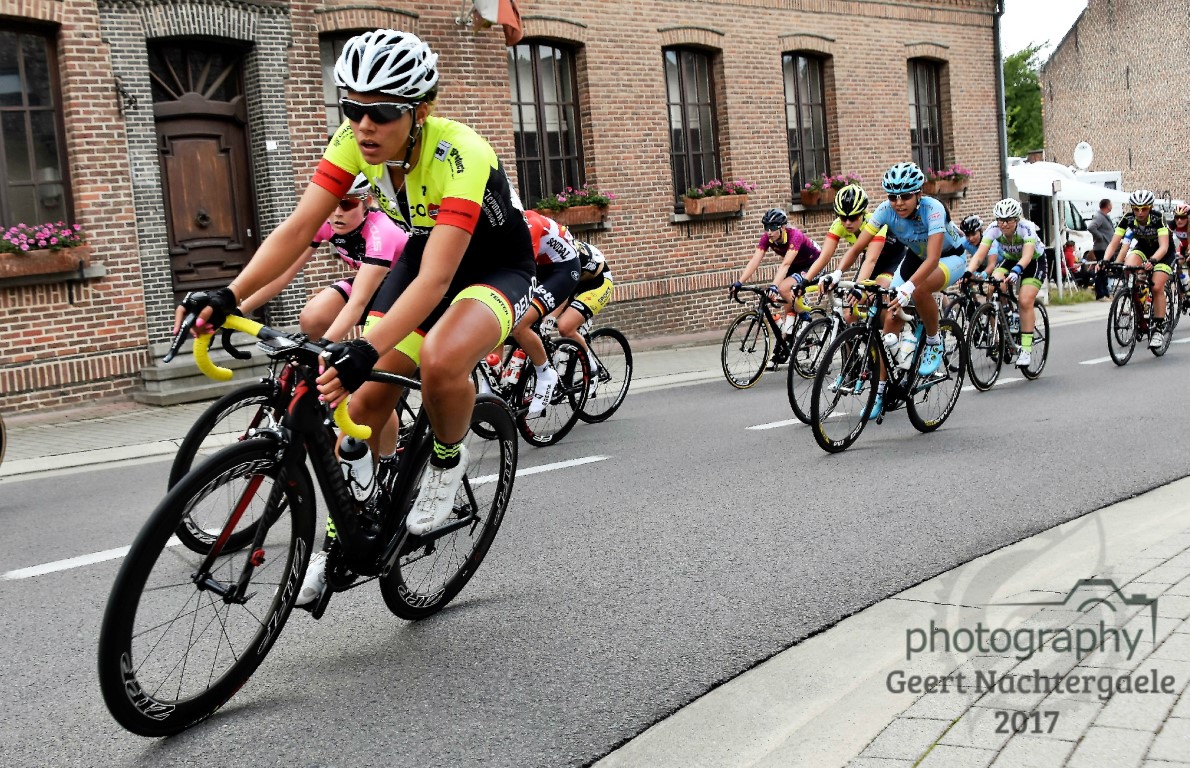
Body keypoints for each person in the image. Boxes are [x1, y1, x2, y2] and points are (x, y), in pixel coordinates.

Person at [174, 29, 536, 603]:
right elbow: (299, 228)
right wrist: (230, 295)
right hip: (425, 254)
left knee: (440, 359)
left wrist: (365, 348)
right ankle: (342, 540)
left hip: (495, 268)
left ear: (419, 112)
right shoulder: (352, 142)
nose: (364, 126)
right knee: (362, 406)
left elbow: (438, 281)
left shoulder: (460, 152)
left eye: (381, 112)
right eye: (351, 108)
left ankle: (447, 461)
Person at [836, 162, 968, 420]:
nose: (898, 203)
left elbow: (933, 259)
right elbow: (857, 248)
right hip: (916, 258)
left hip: (949, 257)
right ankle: (881, 391)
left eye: (905, 196)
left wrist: (908, 286)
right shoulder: (885, 210)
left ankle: (934, 341)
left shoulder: (933, 209)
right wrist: (838, 273)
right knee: (890, 314)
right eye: (892, 196)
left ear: (919, 194)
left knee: (919, 291)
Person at [238, 173, 407, 342]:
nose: (337, 213)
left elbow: (358, 301)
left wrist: (327, 346)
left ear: (367, 202)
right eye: (331, 204)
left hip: (406, 289)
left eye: (347, 204)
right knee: (312, 317)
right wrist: (239, 309)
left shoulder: (381, 232)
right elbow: (283, 274)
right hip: (374, 285)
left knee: (375, 342)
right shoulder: (325, 224)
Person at [798, 184, 907, 323]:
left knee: (882, 299)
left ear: (863, 213)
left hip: (893, 260)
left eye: (853, 217)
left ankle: (891, 330)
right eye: (843, 218)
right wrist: (804, 282)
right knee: (849, 313)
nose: (848, 223)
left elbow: (871, 259)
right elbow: (824, 256)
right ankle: (863, 336)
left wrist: (858, 287)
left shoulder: (874, 222)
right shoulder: (838, 225)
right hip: (871, 261)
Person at [508, 210, 581, 415]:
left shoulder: (530, 224)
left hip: (563, 270)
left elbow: (523, 270)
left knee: (520, 324)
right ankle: (493, 387)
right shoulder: (500, 228)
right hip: (542, 268)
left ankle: (545, 374)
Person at [964, 198, 1048, 368]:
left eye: (1008, 220)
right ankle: (1008, 315)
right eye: (1000, 220)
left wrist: (1017, 271)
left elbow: (1027, 255)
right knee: (993, 284)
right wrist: (968, 273)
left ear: (1016, 219)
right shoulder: (993, 229)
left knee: (1024, 300)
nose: (1004, 224)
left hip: (1033, 261)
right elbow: (979, 255)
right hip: (1010, 260)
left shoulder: (1027, 228)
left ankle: (1026, 349)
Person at [1103, 189, 1171, 348]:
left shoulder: (1158, 218)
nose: (1140, 212)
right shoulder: (1128, 218)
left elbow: (1164, 246)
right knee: (1129, 267)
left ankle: (1158, 330)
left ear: (1150, 207)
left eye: (1144, 208)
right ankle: (1140, 304)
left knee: (1157, 286)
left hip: (1162, 252)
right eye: (1136, 209)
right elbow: (1114, 243)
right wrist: (1105, 260)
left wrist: (1153, 260)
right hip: (1143, 248)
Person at [731, 208, 821, 328]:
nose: (769, 232)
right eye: (766, 227)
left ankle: (807, 318)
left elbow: (785, 264)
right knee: (788, 311)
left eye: (773, 227)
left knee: (783, 289)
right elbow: (754, 261)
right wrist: (739, 282)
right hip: (795, 265)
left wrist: (774, 286)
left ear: (782, 227)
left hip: (813, 263)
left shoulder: (795, 235)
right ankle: (790, 335)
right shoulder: (767, 238)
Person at [549, 239, 614, 392]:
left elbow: (563, 292)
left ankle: (592, 370)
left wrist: (549, 319)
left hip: (597, 282)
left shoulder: (562, 254)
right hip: (575, 281)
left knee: (565, 328)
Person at [1088, 198, 1115, 301]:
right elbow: (1091, 227)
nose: (1112, 206)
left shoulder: (1105, 217)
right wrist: (1100, 237)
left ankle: (1106, 293)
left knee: (1106, 270)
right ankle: (1100, 294)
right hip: (1101, 248)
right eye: (1111, 204)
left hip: (1107, 247)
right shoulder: (1099, 216)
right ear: (1107, 206)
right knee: (1101, 271)